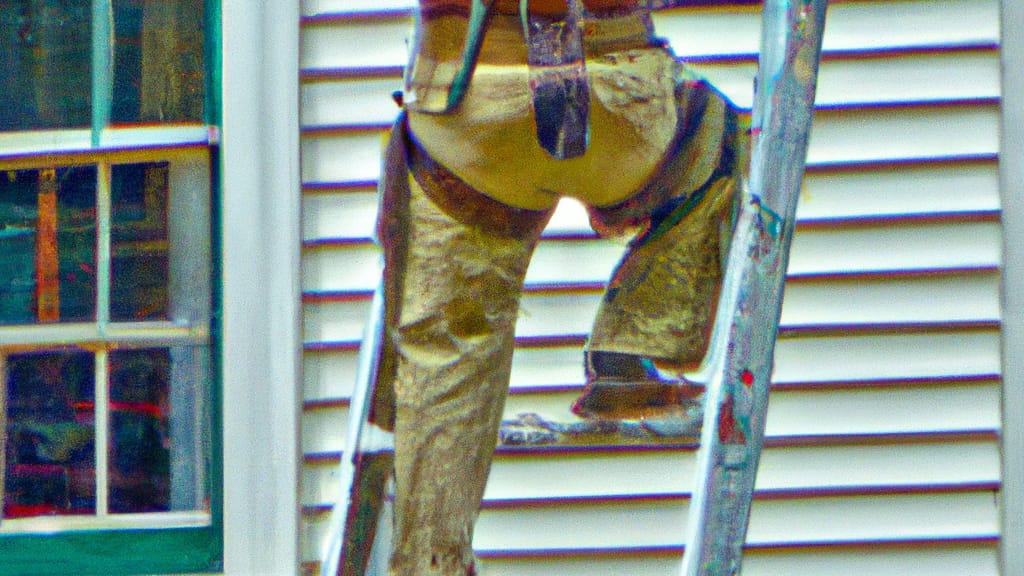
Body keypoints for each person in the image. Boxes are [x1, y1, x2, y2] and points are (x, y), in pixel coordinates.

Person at [376, 1, 748, 573]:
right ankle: (634, 351)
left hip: (466, 104)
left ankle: (432, 557)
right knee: (713, 139)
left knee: (445, 343)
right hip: (616, 99)